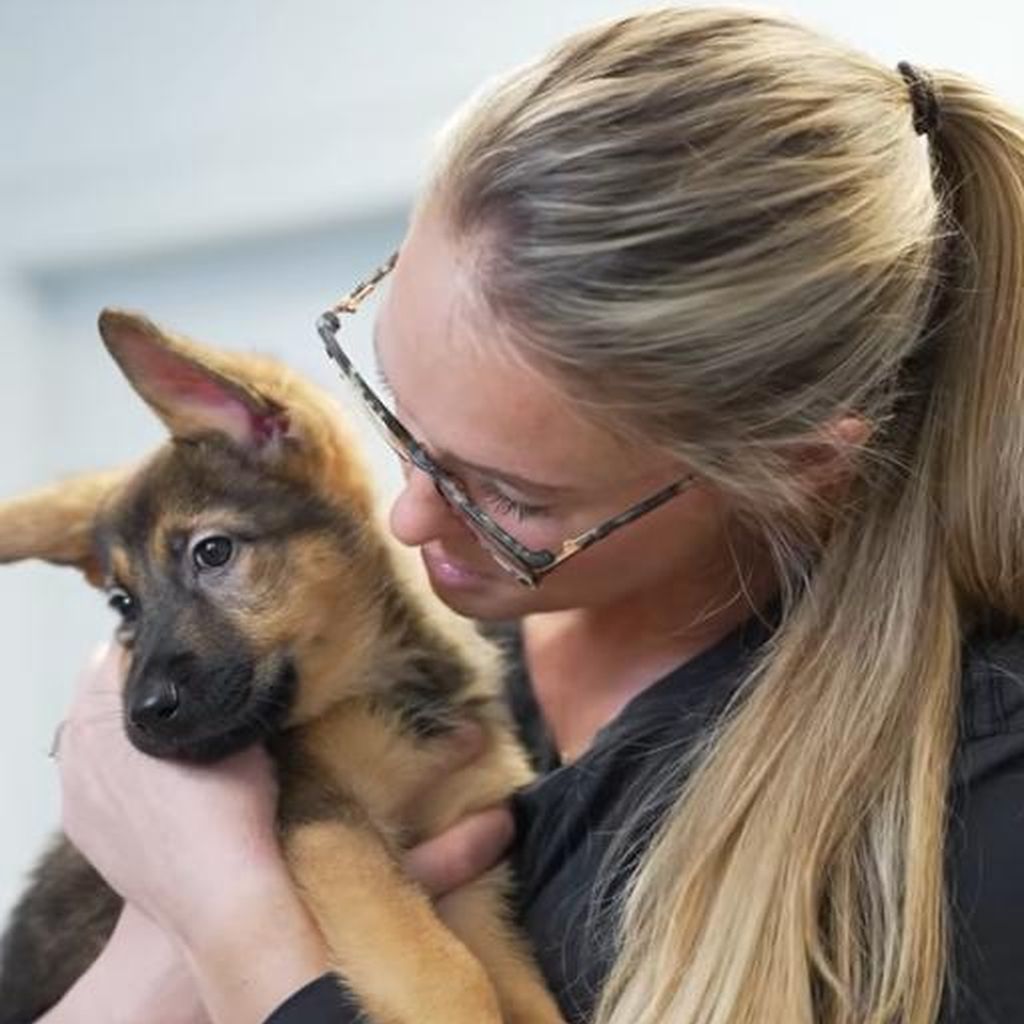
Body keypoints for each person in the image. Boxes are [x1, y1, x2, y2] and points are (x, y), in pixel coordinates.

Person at [37, 7, 1024, 1023]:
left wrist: (233, 928)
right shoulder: (438, 665)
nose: (410, 520)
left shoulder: (978, 811)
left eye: (512, 494)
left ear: (797, 466)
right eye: (396, 413)